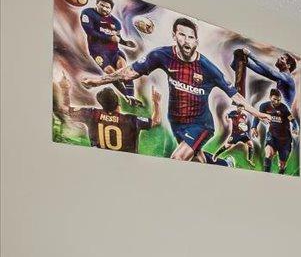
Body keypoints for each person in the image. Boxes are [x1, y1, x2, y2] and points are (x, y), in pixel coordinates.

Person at [82, 16, 269, 166]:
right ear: (174, 36)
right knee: (197, 160)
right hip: (176, 121)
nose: (186, 41)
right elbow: (129, 72)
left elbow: (234, 94)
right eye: (182, 35)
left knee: (177, 159)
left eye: (191, 37)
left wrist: (256, 112)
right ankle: (225, 164)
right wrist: (99, 81)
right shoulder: (162, 55)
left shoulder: (207, 68)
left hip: (201, 124)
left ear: (196, 41)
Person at [54, 75, 161, 153]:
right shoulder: (130, 120)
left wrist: (65, 90)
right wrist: (156, 103)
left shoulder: (91, 114)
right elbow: (156, 121)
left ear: (102, 105)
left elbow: (64, 109)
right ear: (118, 104)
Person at [79, 0, 136, 100]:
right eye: (102, 5)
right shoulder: (88, 13)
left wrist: (125, 42)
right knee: (111, 73)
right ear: (97, 4)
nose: (104, 8)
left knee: (124, 71)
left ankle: (131, 96)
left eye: (107, 7)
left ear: (111, 9)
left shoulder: (116, 22)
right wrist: (109, 38)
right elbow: (90, 31)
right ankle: (126, 96)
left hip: (114, 51)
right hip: (98, 51)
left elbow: (117, 38)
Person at [258, 88, 295, 174]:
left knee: (282, 164)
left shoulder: (283, 108)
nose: (277, 102)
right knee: (268, 154)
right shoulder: (264, 106)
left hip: (285, 139)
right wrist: (253, 127)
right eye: (274, 99)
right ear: (270, 97)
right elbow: (258, 116)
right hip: (272, 135)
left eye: (279, 100)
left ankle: (281, 172)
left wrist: (295, 125)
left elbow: (291, 118)